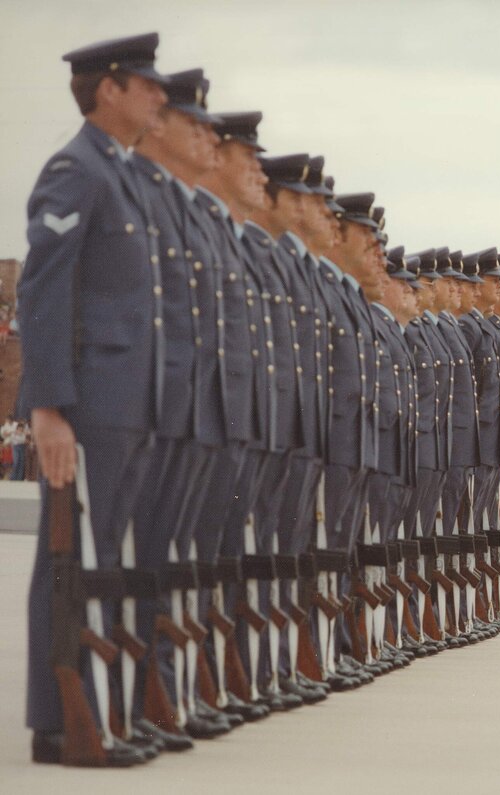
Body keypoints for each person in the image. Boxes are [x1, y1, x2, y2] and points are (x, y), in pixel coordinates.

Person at [18, 32, 169, 767]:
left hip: (129, 399)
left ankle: (102, 709)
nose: (159, 95)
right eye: (147, 84)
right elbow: (42, 290)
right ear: (108, 88)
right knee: (67, 557)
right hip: (89, 402)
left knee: (106, 556)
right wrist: (45, 406)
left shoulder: (126, 175)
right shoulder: (76, 169)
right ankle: (58, 720)